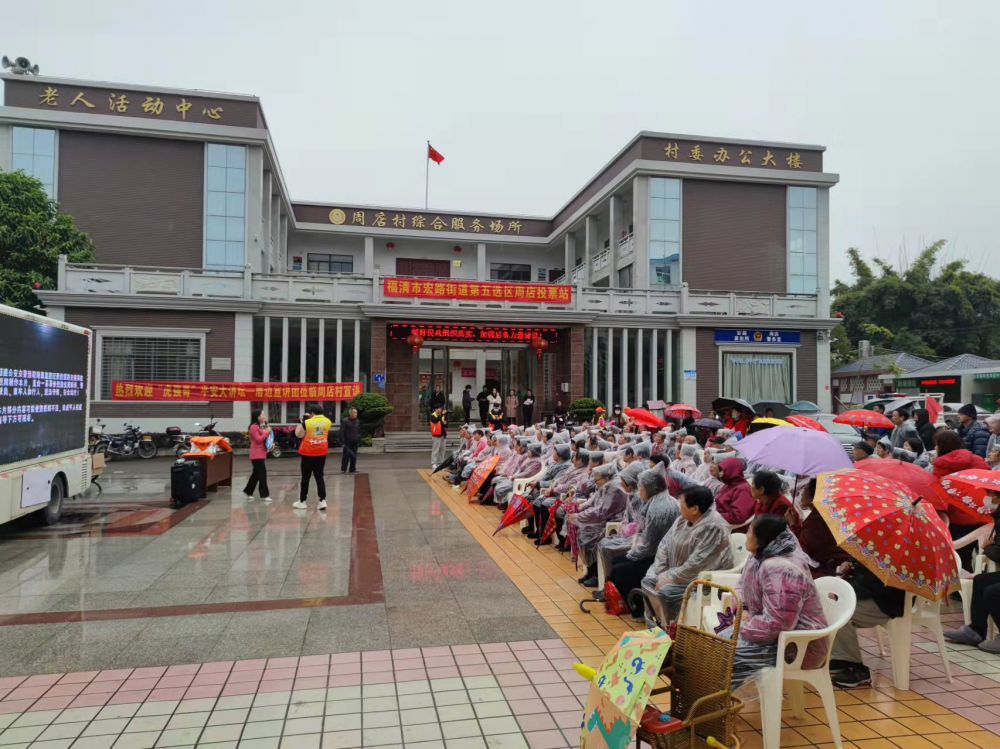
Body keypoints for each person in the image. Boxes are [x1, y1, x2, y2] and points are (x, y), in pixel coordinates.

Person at [725, 515, 829, 688]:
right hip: (767, 634)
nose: (747, 534)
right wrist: (742, 609)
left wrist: (742, 627)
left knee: (724, 653)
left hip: (796, 645)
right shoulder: (758, 555)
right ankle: (709, 703)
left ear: (762, 539)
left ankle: (711, 705)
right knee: (715, 646)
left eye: (750, 531)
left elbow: (778, 623)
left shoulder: (781, 569)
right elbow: (741, 585)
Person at [641, 485, 734, 625]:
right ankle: (654, 625)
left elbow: (698, 564)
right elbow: (665, 545)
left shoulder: (713, 527)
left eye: (681, 503)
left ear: (695, 508)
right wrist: (659, 571)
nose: (678, 506)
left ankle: (671, 631)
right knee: (648, 581)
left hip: (701, 580)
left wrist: (670, 578)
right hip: (679, 573)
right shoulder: (682, 520)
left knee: (666, 592)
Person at [606, 464, 681, 619]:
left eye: (640, 487)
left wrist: (632, 554)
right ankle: (629, 602)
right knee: (615, 562)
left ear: (649, 488)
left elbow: (650, 544)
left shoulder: (659, 508)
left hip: (659, 557)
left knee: (620, 570)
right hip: (654, 551)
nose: (639, 490)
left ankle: (639, 608)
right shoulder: (655, 501)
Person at [830, 560, 905, 688]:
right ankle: (840, 658)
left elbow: (873, 585)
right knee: (834, 608)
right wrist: (853, 567)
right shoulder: (883, 548)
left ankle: (856, 668)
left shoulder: (893, 556)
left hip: (886, 603)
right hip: (878, 596)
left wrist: (842, 591)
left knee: (840, 615)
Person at [568, 462, 629, 587]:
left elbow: (602, 511)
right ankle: (591, 570)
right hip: (601, 519)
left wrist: (581, 516)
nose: (595, 483)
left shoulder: (615, 488)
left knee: (588, 535)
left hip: (610, 522)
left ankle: (596, 574)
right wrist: (580, 508)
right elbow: (593, 501)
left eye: (597, 480)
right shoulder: (605, 486)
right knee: (583, 530)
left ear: (606, 477)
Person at [793, 478, 852, 577]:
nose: (802, 493)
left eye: (805, 491)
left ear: (814, 498)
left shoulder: (817, 521)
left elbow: (801, 549)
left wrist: (793, 524)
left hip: (828, 568)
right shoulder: (826, 513)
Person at [293, 405, 331, 510]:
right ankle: (322, 500)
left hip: (308, 453)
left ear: (312, 413)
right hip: (321, 452)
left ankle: (302, 501)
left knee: (305, 477)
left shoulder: (307, 422)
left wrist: (304, 421)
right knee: (319, 476)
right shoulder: (328, 421)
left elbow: (299, 435)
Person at [712, 456, 756, 528]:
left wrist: (714, 516)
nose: (720, 473)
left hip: (728, 527)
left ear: (731, 470)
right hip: (718, 520)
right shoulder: (729, 485)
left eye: (722, 470)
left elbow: (737, 517)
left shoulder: (742, 489)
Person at [243, 408, 271, 502]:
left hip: (261, 453)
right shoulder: (253, 427)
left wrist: (270, 443)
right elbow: (258, 439)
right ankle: (264, 495)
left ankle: (248, 491)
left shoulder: (259, 426)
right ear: (258, 416)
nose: (264, 416)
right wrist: (267, 432)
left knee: (256, 474)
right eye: (262, 414)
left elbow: (264, 439)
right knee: (262, 475)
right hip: (256, 455)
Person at [429, 404, 448, 470]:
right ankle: (434, 463)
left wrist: (445, 424)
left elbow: (443, 425)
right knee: (435, 449)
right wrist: (442, 414)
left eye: (441, 409)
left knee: (442, 449)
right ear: (435, 409)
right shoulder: (432, 416)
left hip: (443, 434)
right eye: (439, 408)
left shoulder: (441, 416)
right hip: (436, 435)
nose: (440, 410)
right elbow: (435, 420)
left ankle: (441, 463)